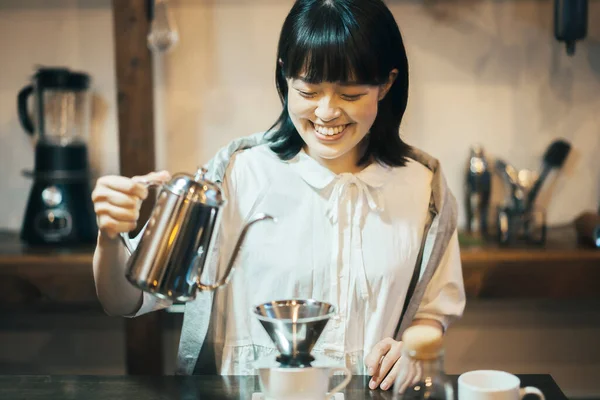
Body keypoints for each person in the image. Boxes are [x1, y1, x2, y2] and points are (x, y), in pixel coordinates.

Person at [92, 0, 465, 391]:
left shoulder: (424, 188)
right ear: (284, 76)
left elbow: (432, 314)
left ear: (386, 84)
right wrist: (110, 235)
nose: (326, 112)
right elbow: (124, 301)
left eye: (351, 95)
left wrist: (412, 348)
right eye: (308, 90)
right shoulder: (235, 176)